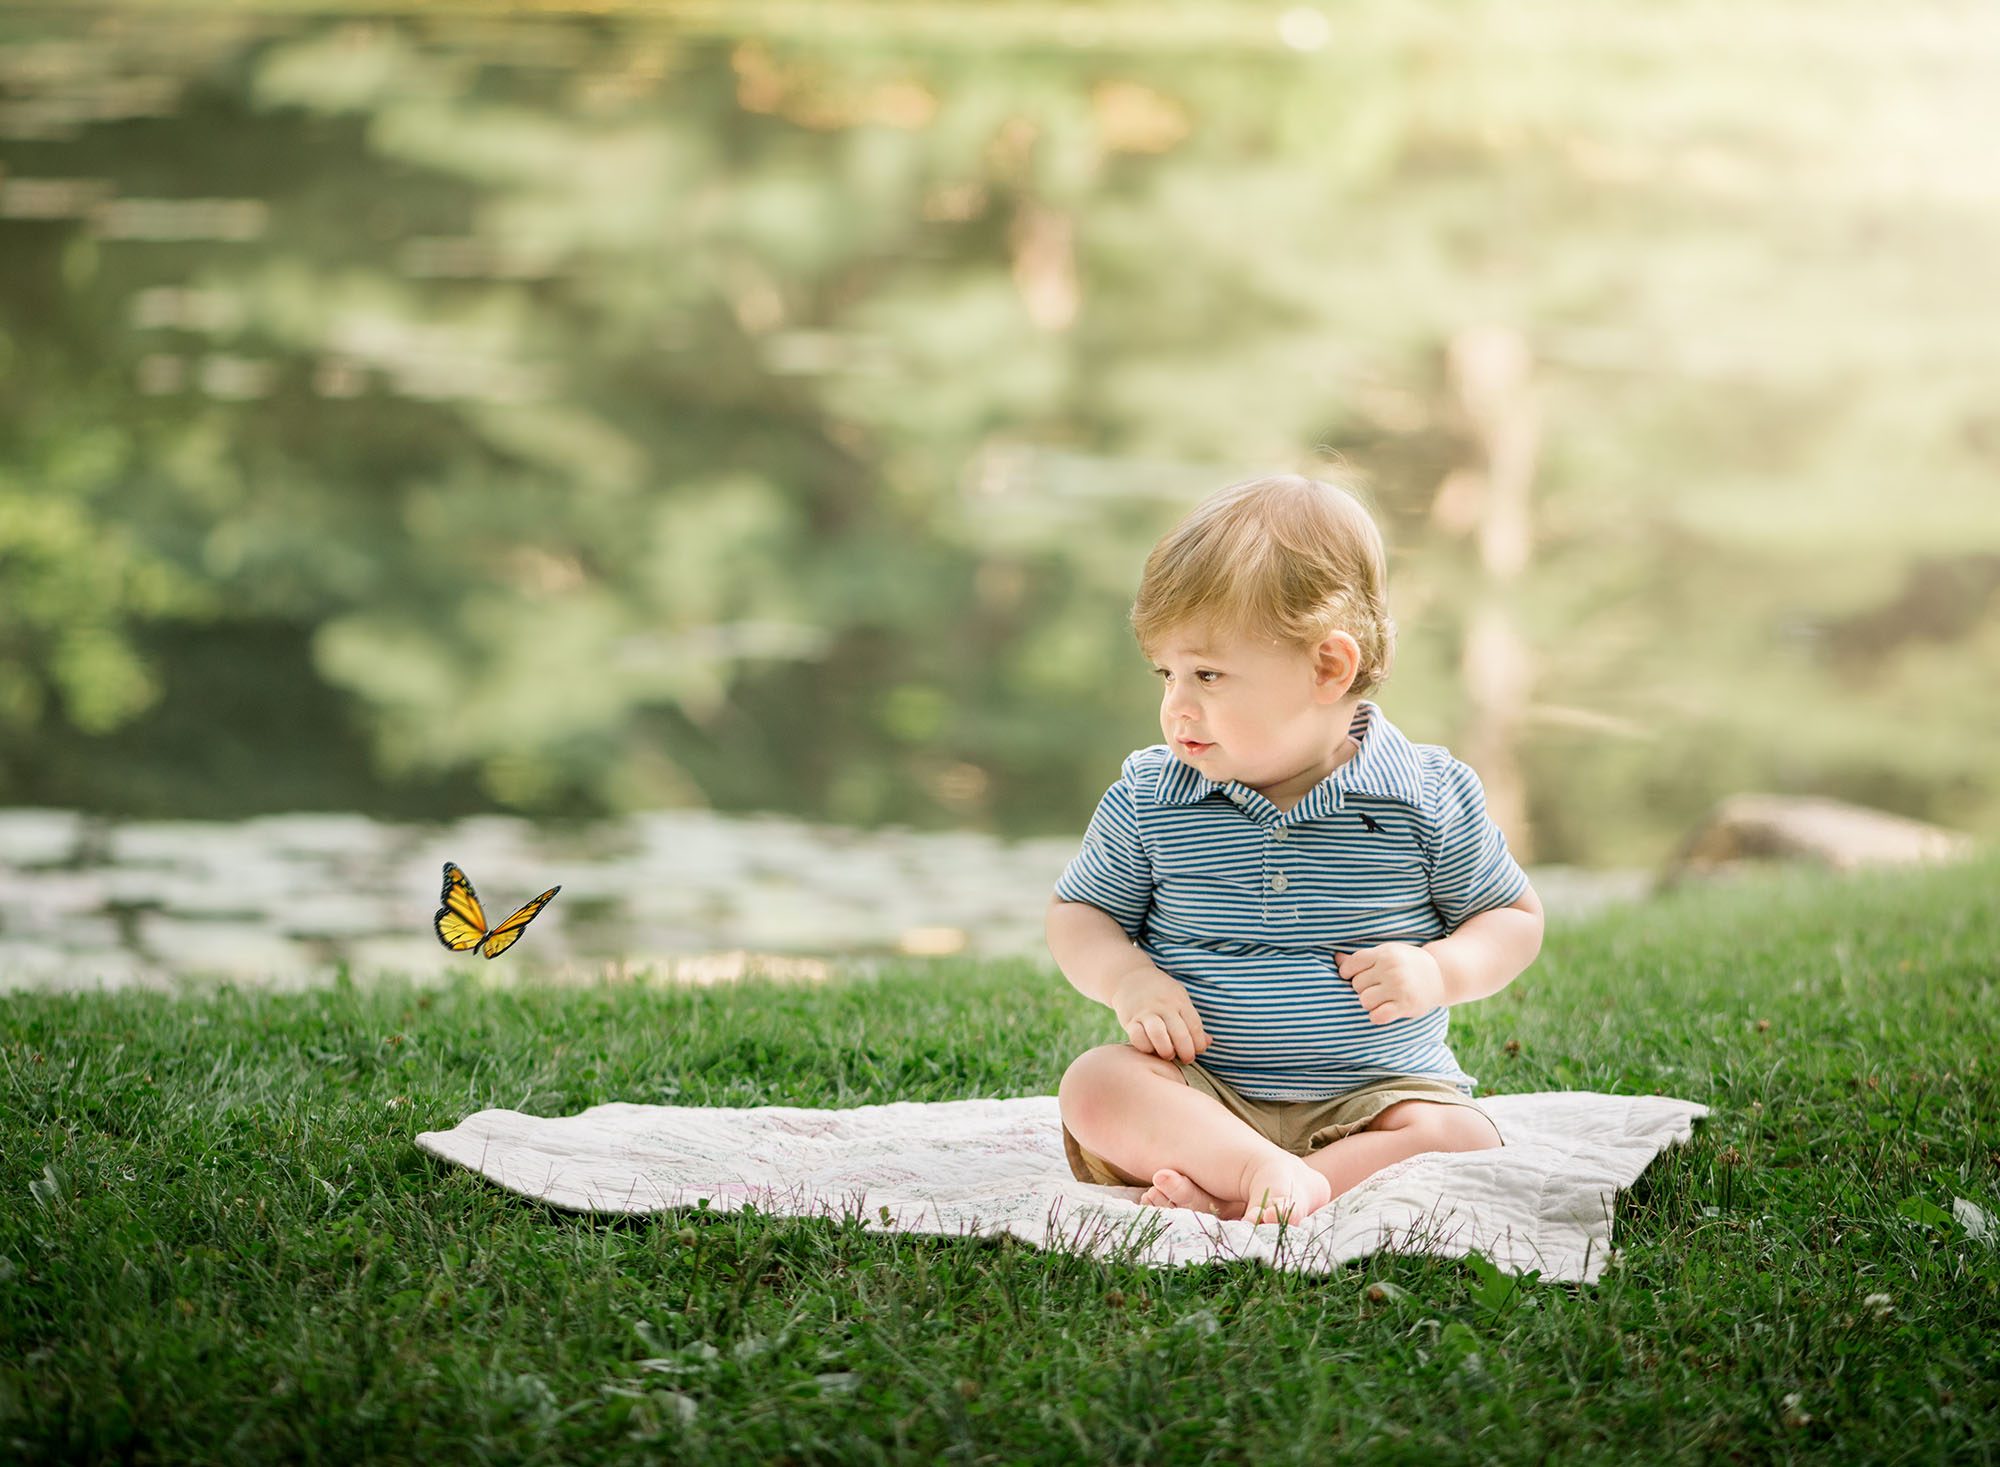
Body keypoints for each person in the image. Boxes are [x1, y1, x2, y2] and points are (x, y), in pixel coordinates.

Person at [1048, 473, 1544, 1225]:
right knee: (1096, 1085)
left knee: (1460, 1133)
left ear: (1327, 668)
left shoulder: (1425, 794)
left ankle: (1274, 1183)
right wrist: (1128, 981)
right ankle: (1261, 1172)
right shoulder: (1154, 797)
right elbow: (1078, 911)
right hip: (1203, 1092)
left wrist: (1440, 968)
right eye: (1168, 672)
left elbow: (1514, 916)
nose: (1176, 705)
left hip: (1376, 1095)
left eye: (1208, 673)